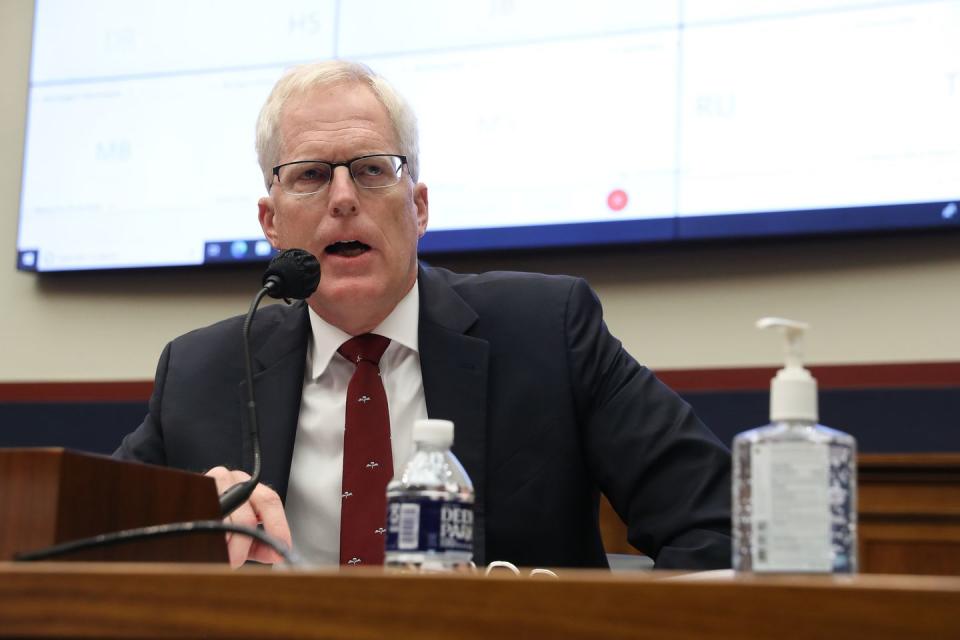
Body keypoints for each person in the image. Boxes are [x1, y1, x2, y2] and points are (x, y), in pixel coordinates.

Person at [114, 60, 731, 570]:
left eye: (371, 170)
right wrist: (184, 522)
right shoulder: (201, 371)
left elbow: (717, 523)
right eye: (309, 176)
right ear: (270, 223)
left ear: (420, 208)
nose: (345, 198)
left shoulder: (549, 330)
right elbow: (81, 542)